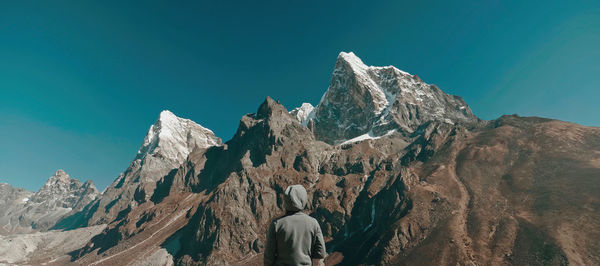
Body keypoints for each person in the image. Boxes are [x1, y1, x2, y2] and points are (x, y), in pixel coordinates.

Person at [264, 184, 327, 266]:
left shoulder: (276, 224)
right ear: (303, 199)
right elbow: (320, 254)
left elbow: (269, 257)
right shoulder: (313, 223)